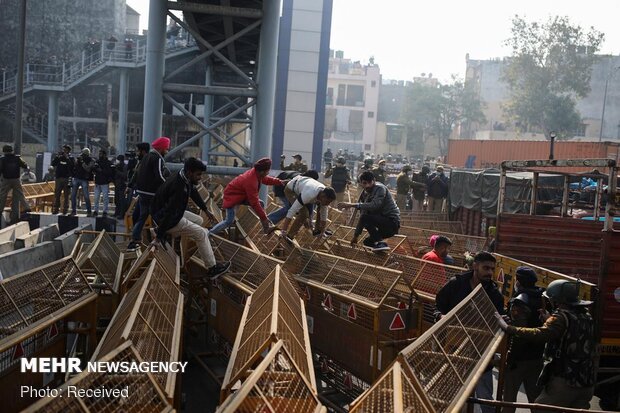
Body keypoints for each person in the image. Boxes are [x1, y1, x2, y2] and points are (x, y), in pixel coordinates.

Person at [496, 279, 595, 411]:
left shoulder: (561, 317)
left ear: (556, 300)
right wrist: (549, 320)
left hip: (566, 381)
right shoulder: (586, 316)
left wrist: (508, 328)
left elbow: (539, 334)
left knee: (540, 408)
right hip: (586, 381)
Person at [435, 251, 504, 413]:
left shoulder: (494, 294)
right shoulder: (456, 284)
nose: (489, 273)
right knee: (450, 394)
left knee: (485, 396)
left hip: (480, 351)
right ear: (475, 266)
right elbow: (438, 305)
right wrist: (440, 316)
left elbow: (499, 317)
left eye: (492, 269)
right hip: (453, 350)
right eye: (485, 268)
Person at [151, 158, 229, 278]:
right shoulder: (179, 189)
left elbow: (193, 193)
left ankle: (196, 248)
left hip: (165, 214)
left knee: (199, 220)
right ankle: (212, 268)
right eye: (198, 174)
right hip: (166, 219)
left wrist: (205, 209)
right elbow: (169, 212)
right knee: (202, 233)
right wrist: (159, 236)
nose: (200, 177)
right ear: (190, 172)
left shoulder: (183, 176)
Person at [501, 267, 545, 413]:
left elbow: (520, 333)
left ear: (518, 281)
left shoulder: (520, 302)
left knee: (508, 400)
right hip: (537, 356)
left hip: (519, 359)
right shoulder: (542, 298)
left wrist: (511, 357)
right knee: (535, 400)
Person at [209, 158, 285, 235]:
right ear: (262, 171)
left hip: (241, 195)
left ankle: (266, 228)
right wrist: (264, 219)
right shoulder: (251, 181)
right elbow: (254, 203)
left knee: (261, 203)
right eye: (268, 171)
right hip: (232, 197)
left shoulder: (256, 173)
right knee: (229, 221)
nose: (268, 173)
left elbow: (266, 179)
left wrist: (279, 182)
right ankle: (209, 233)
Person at [338, 171, 400, 252]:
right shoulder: (365, 193)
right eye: (364, 183)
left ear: (373, 180)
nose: (367, 185)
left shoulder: (380, 188)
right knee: (367, 242)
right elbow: (363, 215)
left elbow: (374, 205)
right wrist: (355, 236)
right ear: (361, 183)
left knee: (365, 217)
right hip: (381, 226)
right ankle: (380, 252)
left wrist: (351, 205)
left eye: (369, 182)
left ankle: (380, 242)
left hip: (391, 223)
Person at [128, 137, 171, 250]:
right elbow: (159, 176)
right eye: (166, 148)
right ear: (161, 148)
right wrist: (168, 186)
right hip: (151, 193)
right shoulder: (157, 158)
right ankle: (161, 238)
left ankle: (135, 238)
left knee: (143, 216)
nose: (167, 151)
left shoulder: (146, 157)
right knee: (159, 215)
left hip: (142, 192)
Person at [277, 174, 336, 239]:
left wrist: (322, 231)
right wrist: (284, 230)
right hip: (291, 189)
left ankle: (317, 231)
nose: (328, 204)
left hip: (304, 186)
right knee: (304, 214)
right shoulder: (309, 195)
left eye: (329, 202)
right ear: (323, 196)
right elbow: (292, 210)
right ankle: (290, 236)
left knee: (321, 208)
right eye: (327, 202)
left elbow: (323, 215)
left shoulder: (324, 195)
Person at [0, 145, 31, 226]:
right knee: (20, 195)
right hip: (16, 180)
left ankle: (0, 209)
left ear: (4, 151)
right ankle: (26, 207)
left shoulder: (2, 159)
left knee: (3, 195)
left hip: (6, 180)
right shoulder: (17, 158)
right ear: (11, 150)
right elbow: (25, 165)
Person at [71, 148, 95, 216]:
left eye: (84, 154)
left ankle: (89, 211)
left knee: (86, 196)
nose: (83, 156)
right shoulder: (79, 159)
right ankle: (73, 210)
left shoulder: (91, 160)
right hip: (76, 178)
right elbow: (74, 166)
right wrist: (77, 161)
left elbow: (88, 169)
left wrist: (82, 162)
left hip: (84, 179)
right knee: (73, 196)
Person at [51, 145, 74, 214]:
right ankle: (56, 209)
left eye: (65, 150)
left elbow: (72, 166)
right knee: (57, 194)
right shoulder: (59, 157)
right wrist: (57, 156)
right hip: (59, 178)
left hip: (67, 178)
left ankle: (65, 210)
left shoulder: (71, 158)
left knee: (66, 195)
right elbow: (53, 163)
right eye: (63, 150)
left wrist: (67, 158)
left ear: (68, 151)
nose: (64, 151)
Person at [92, 150, 113, 217]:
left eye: (101, 154)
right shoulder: (97, 162)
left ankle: (105, 211)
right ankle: (95, 211)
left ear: (104, 155)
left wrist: (101, 170)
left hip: (105, 183)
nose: (99, 155)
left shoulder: (108, 162)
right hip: (98, 183)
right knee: (96, 198)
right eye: (99, 153)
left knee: (105, 198)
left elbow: (109, 172)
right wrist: (94, 168)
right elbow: (94, 171)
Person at [113, 155, 128, 219]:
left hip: (122, 185)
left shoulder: (124, 166)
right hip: (117, 185)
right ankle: (117, 213)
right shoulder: (117, 166)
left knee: (121, 201)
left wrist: (117, 171)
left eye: (118, 160)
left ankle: (122, 214)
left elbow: (124, 175)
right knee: (117, 200)